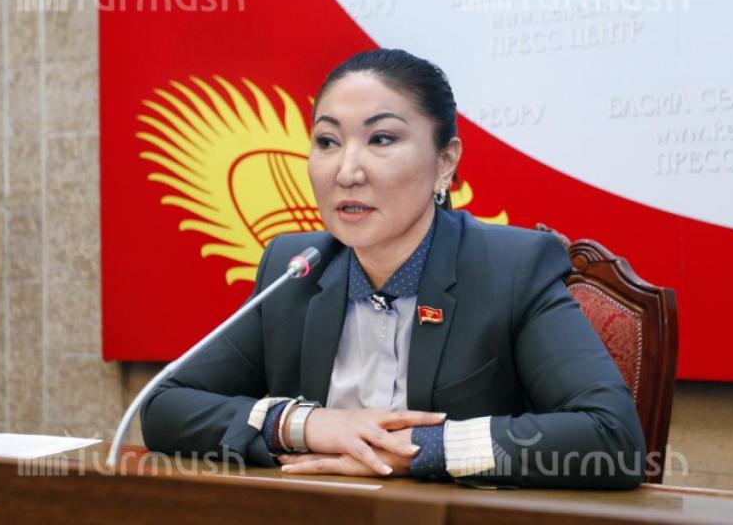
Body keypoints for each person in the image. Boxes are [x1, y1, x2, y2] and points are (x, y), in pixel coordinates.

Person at [140, 49, 646, 488]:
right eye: (327, 141)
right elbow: (165, 406)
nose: (347, 171)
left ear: (445, 162)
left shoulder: (512, 268)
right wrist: (307, 425)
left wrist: (421, 450)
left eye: (381, 139)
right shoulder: (295, 269)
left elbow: (613, 437)